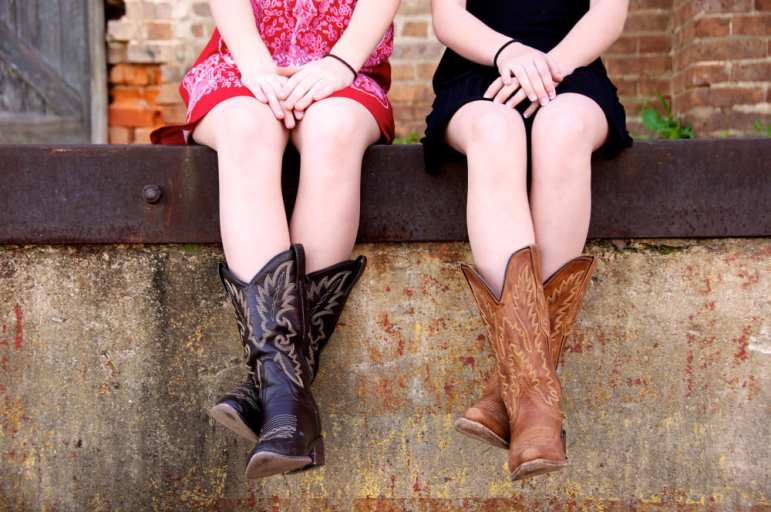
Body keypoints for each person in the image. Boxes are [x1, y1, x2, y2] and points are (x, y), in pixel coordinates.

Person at [150, 0, 400, 479]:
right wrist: (255, 65)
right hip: (241, 60)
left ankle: (271, 394)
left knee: (336, 131)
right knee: (248, 127)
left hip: (345, 66)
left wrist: (341, 63)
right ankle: (288, 407)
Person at [424, 0, 632, 480]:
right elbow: (448, 19)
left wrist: (548, 68)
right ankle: (537, 405)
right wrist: (509, 53)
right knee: (495, 130)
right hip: (480, 75)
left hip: (572, 70)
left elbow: (608, 14)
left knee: (563, 127)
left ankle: (513, 392)